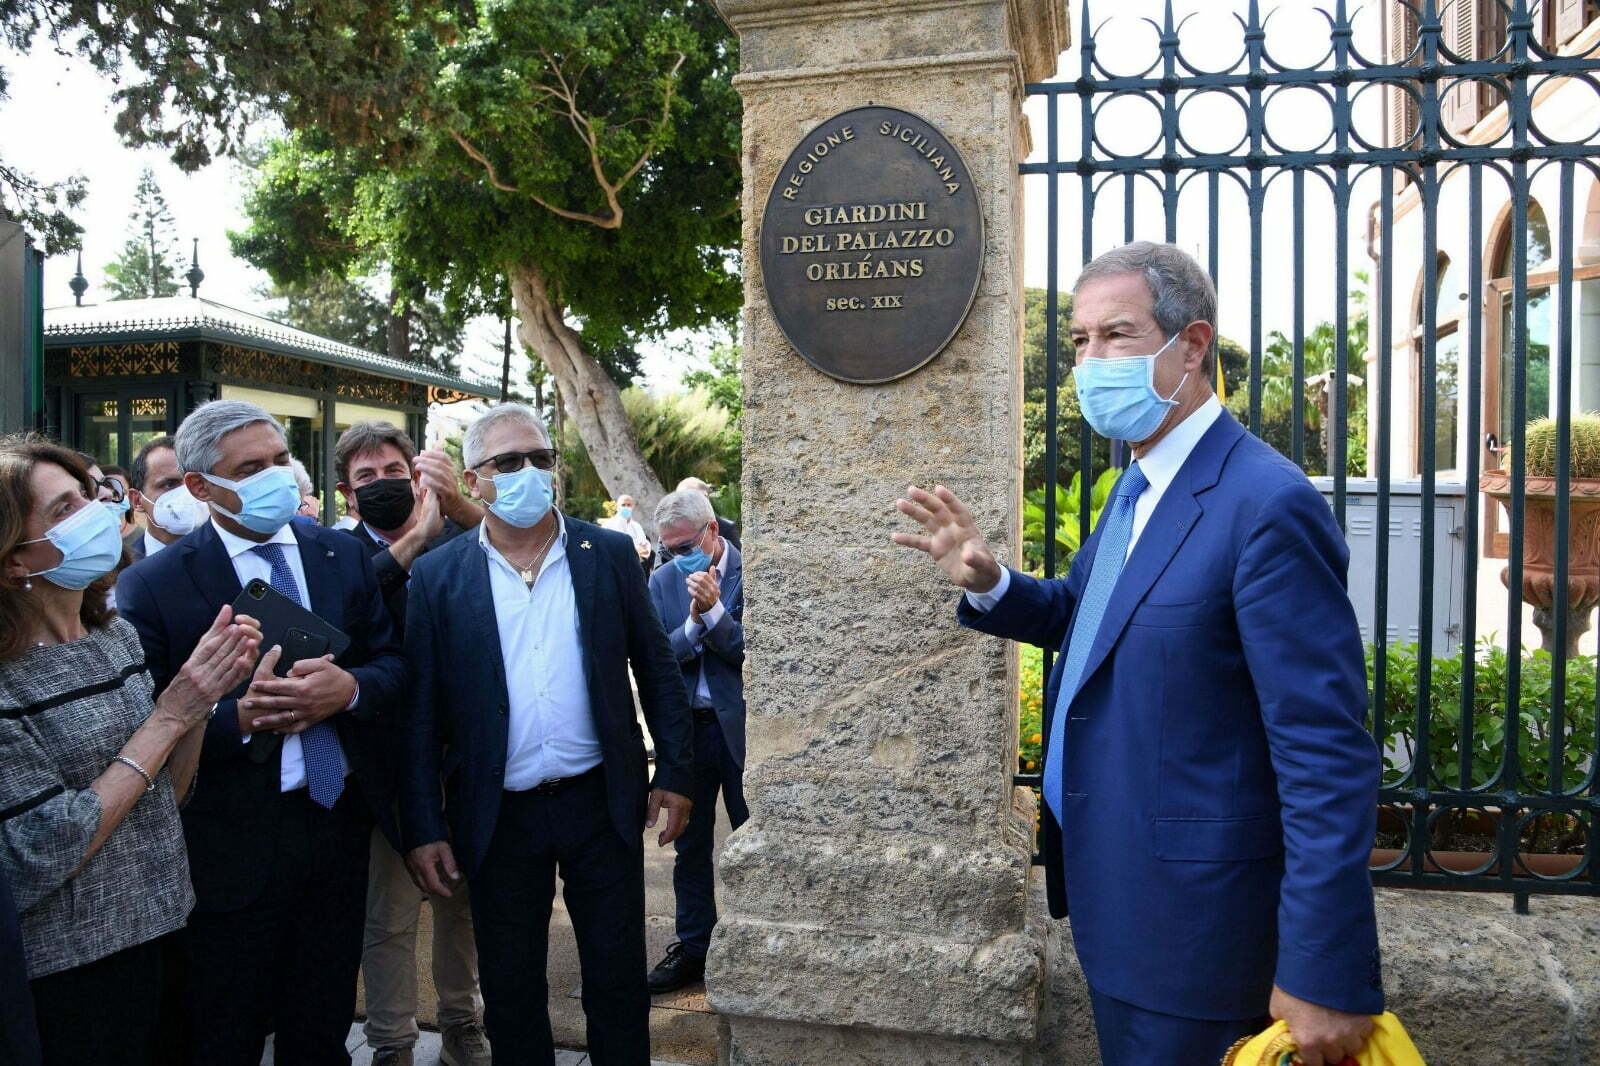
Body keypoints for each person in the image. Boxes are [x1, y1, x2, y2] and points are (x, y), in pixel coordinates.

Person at [892, 242, 1383, 1066]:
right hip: (1120, 905)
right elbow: (1093, 618)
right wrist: (990, 581)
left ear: (1191, 347)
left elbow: (1325, 753)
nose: (1090, 361)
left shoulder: (1266, 505)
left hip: (1200, 937)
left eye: (1116, 335)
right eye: (1080, 341)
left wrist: (1323, 967)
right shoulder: (1140, 483)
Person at [400, 402, 695, 1066]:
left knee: (617, 984)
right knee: (510, 992)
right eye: (509, 462)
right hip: (499, 816)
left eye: (541, 458)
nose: (530, 472)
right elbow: (420, 712)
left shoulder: (608, 553)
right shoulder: (439, 577)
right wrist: (424, 824)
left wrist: (676, 770)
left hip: (601, 806)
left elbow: (655, 667)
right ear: (473, 481)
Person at [117, 400, 407, 1066]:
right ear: (199, 486)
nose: (275, 476)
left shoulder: (338, 552)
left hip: (335, 828)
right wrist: (235, 718)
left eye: (279, 460)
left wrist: (351, 688)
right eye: (251, 468)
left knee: (322, 1026)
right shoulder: (155, 585)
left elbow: (393, 663)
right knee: (224, 1032)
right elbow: (142, 721)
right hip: (227, 845)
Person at [0, 436, 260, 1065]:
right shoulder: (6, 680)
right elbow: (34, 854)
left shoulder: (112, 637)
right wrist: (170, 715)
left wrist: (197, 703)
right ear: (12, 559)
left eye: (89, 497)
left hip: (168, 935)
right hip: (72, 974)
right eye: (64, 510)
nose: (94, 514)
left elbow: (165, 797)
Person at [333, 420, 489, 1066]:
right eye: (366, 477)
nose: (382, 486)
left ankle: (463, 1028)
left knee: (461, 912)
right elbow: (337, 624)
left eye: (394, 472)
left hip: (463, 762)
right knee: (389, 918)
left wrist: (450, 512)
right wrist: (412, 542)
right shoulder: (333, 555)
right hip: (383, 773)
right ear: (347, 495)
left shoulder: (461, 541)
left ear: (418, 476)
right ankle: (392, 1043)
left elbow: (522, 549)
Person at [645, 490, 746, 994]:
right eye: (667, 548)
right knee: (690, 844)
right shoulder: (662, 581)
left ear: (712, 531)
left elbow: (755, 650)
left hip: (742, 730)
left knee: (752, 836)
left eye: (685, 544)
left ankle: (754, 937)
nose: (677, 555)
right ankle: (694, 946)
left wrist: (714, 616)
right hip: (689, 732)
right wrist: (691, 622)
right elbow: (658, 658)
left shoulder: (754, 572)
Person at [126, 435, 209, 562]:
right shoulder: (118, 569)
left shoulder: (237, 560)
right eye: (169, 484)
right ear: (137, 500)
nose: (188, 493)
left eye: (197, 482)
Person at [674, 477, 740, 551]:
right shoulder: (669, 529)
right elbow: (662, 560)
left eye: (704, 498)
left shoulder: (726, 527)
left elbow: (739, 559)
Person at [600, 494, 653, 574]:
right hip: (618, 568)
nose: (626, 507)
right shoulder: (608, 525)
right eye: (623, 505)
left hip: (638, 567)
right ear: (617, 507)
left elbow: (644, 546)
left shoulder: (637, 526)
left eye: (629, 505)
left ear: (633, 507)